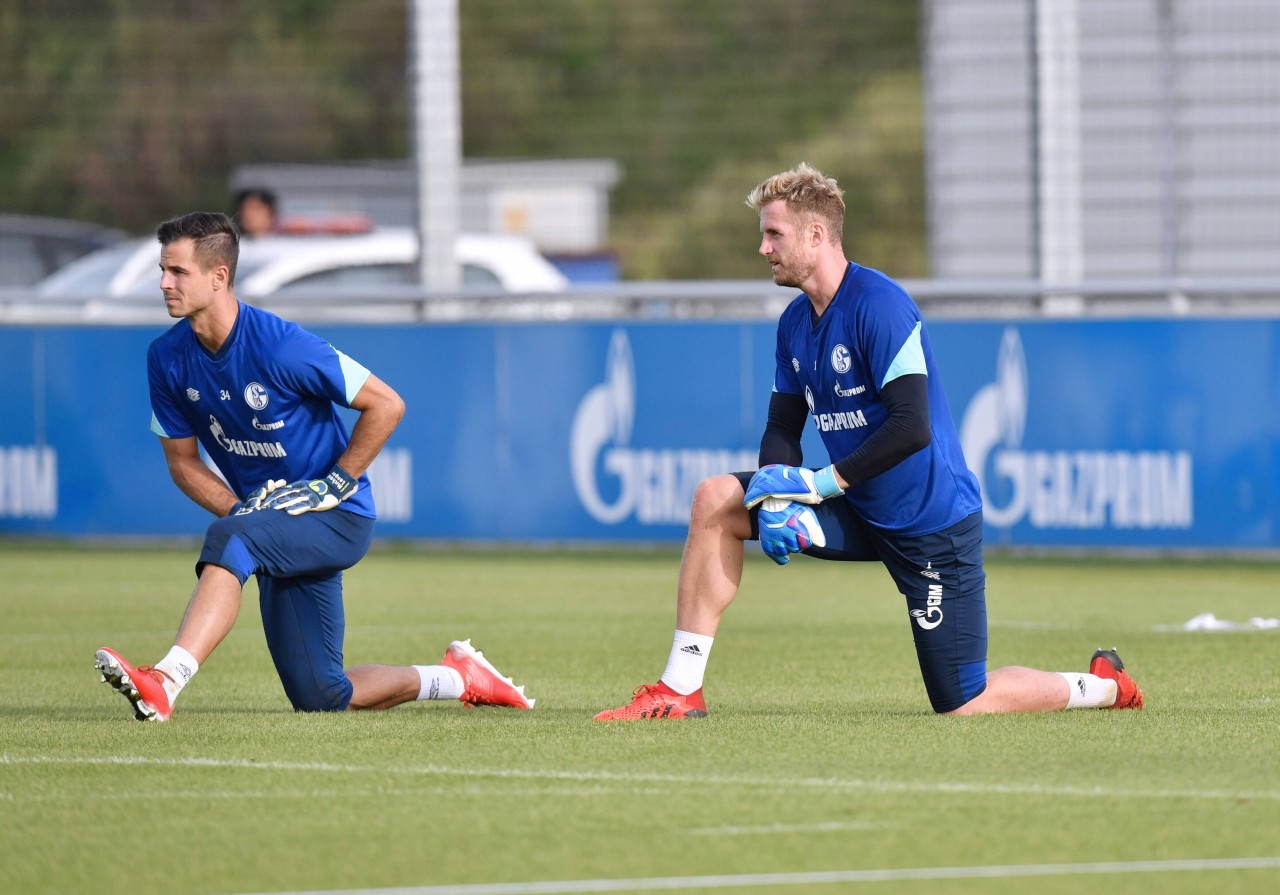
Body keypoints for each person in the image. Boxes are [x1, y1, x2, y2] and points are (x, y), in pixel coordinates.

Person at [594, 163, 1142, 721]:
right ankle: (680, 688)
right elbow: (783, 427)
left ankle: (1102, 687)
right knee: (717, 500)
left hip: (931, 527)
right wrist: (778, 497)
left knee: (961, 702)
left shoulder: (880, 305)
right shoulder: (794, 324)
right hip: (857, 507)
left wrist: (814, 482)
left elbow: (911, 425)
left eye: (772, 234)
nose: (762, 248)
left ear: (815, 235)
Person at [95, 211, 533, 720]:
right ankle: (458, 677)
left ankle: (165, 681)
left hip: (337, 518)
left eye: (178, 272)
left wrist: (334, 483)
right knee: (321, 696)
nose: (165, 283)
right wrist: (242, 507)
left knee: (229, 537)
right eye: (163, 270)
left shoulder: (281, 345)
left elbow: (387, 403)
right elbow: (183, 463)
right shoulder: (165, 358)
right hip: (270, 526)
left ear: (219, 277)